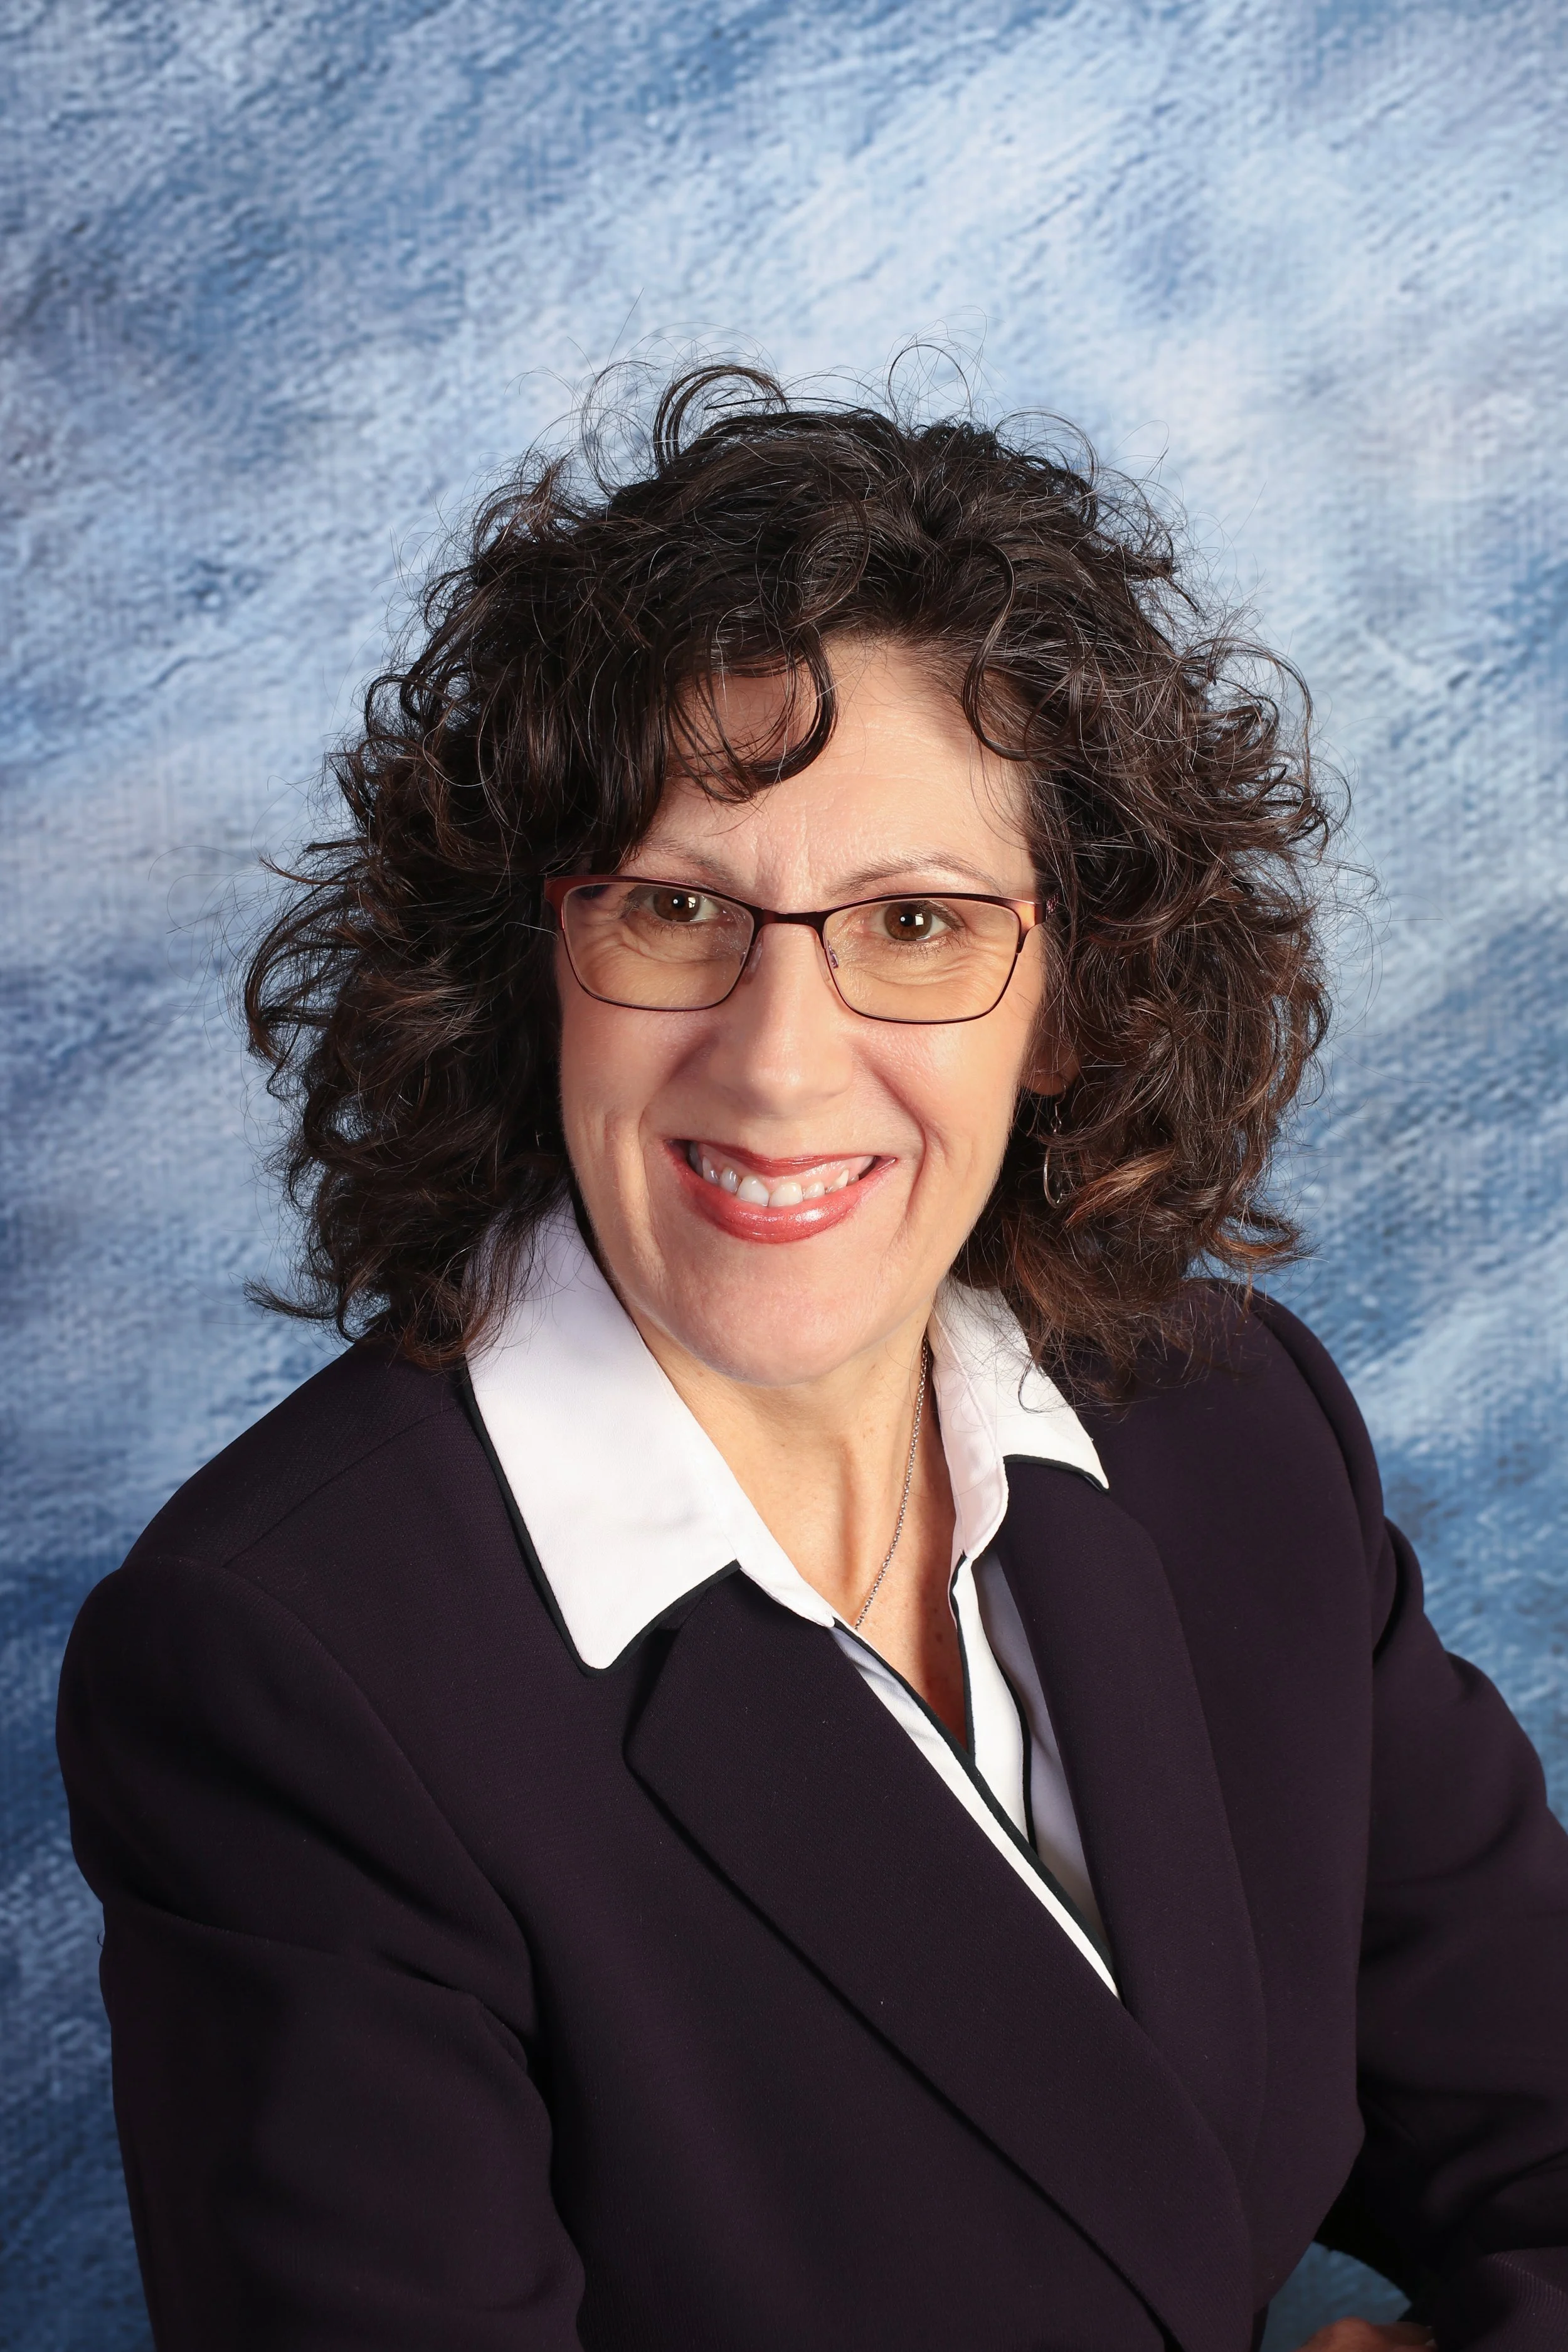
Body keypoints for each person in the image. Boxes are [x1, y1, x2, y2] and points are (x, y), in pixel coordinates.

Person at [57, 366, 1568, 2352]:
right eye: (676, 907)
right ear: (534, 963)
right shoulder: (286, 1666)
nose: (776, 1059)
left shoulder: (1226, 1425)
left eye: (917, 924)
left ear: (1067, 1000)